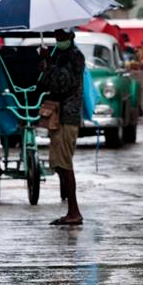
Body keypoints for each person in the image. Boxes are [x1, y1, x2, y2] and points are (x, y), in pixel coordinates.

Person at [42, 29, 86, 226]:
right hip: (57, 116)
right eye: (56, 36)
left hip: (68, 117)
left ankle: (74, 211)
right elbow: (48, 84)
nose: (58, 40)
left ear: (70, 37)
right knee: (58, 163)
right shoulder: (58, 55)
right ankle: (71, 210)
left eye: (62, 37)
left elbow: (62, 83)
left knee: (65, 164)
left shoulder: (75, 57)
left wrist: (49, 65)